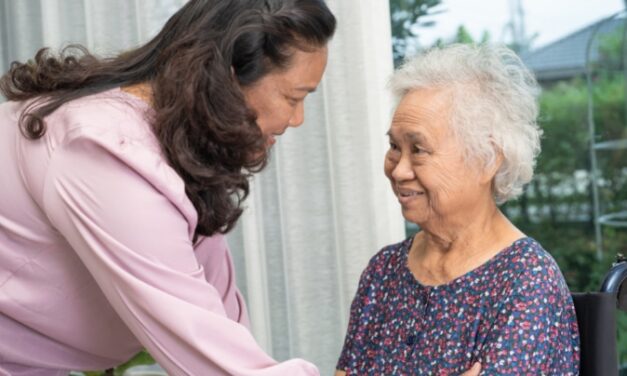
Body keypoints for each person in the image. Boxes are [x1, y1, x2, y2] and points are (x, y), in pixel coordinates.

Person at [0, 0, 335, 375]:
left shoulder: (177, 153)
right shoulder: (104, 152)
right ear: (225, 77)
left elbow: (223, 327)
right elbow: (206, 352)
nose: (297, 119)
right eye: (293, 98)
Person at [335, 44, 580, 375]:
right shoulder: (383, 272)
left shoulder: (526, 280)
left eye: (418, 149)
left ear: (487, 160)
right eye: (394, 146)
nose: (398, 170)